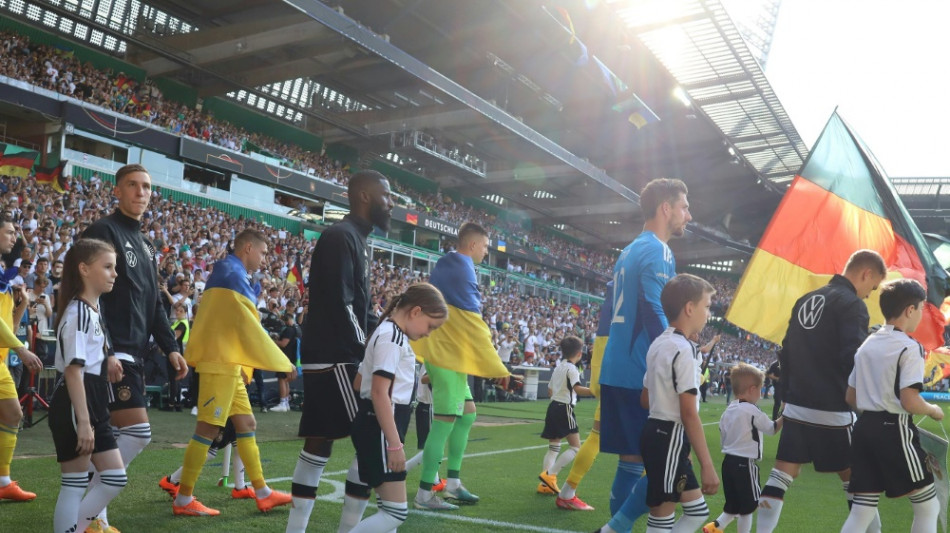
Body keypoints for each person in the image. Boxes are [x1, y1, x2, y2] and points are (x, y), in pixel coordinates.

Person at [81, 163, 188, 532]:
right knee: (138, 432)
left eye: (146, 186)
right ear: (117, 191)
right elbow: (90, 294)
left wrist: (171, 347)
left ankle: (93, 516)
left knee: (110, 436)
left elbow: (155, 302)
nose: (141, 192)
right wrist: (107, 348)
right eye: (132, 185)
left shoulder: (146, 244)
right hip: (112, 350)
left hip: (136, 351)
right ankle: (88, 513)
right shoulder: (103, 231)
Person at [287, 170, 394, 533]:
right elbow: (341, 303)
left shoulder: (354, 238)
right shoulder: (341, 236)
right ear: (364, 196)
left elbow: (358, 308)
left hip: (331, 354)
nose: (390, 204)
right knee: (372, 439)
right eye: (386, 196)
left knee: (319, 443)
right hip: (337, 357)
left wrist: (386, 333)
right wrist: (367, 350)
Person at [166, 228, 296, 516]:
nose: (265, 259)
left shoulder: (229, 271)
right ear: (248, 248)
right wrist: (281, 361)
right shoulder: (233, 275)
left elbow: (240, 324)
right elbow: (249, 327)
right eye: (263, 253)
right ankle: (183, 499)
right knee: (208, 430)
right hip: (221, 363)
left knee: (247, 423)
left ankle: (262, 492)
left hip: (228, 363)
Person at [756, 250, 888, 533]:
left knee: (781, 474)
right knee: (858, 482)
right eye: (873, 286)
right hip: (833, 408)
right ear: (867, 274)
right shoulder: (853, 305)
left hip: (797, 405)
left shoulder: (806, 299)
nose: (870, 294)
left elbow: (786, 352)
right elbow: (852, 359)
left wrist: (787, 397)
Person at [594, 179, 692, 533]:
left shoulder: (630, 249)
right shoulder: (659, 251)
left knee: (631, 460)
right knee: (669, 460)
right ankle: (618, 527)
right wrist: (676, 355)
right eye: (684, 207)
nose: (688, 215)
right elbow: (653, 310)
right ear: (666, 208)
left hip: (617, 366)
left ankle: (616, 527)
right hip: (640, 371)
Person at [411, 222, 511, 511]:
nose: (486, 252)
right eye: (485, 246)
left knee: (467, 414)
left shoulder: (448, 262)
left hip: (448, 352)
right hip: (447, 355)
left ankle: (453, 483)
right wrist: (497, 366)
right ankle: (425, 494)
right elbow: (473, 322)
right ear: (473, 245)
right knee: (444, 421)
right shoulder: (464, 268)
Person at [841, 279, 944, 533]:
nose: (921, 315)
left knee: (862, 510)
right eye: (921, 308)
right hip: (894, 429)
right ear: (910, 310)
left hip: (863, 429)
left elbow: (851, 397)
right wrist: (933, 410)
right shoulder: (909, 346)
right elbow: (910, 401)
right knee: (927, 507)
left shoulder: (867, 344)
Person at [348, 283, 448, 532]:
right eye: (430, 326)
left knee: (388, 510)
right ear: (416, 312)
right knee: (395, 513)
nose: (428, 334)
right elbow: (378, 392)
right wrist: (394, 445)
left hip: (378, 424)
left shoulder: (388, 332)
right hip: (381, 427)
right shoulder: (392, 337)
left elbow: (359, 383)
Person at [48, 239, 126, 533]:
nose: (114, 273)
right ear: (84, 269)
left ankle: (78, 527)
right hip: (75, 403)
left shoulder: (92, 310)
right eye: (107, 267)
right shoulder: (77, 312)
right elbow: (73, 371)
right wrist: (83, 421)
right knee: (74, 484)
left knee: (115, 478)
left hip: (93, 400)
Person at [640, 273, 719, 532]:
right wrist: (707, 465)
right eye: (707, 306)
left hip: (660, 433)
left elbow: (645, 399)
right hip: (669, 434)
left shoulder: (659, 343)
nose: (708, 314)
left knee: (697, 512)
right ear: (689, 308)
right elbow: (688, 413)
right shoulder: (684, 350)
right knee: (662, 514)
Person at [703, 363, 782, 533]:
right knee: (748, 507)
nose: (760, 394)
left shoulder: (729, 410)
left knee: (734, 505)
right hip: (745, 464)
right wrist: (786, 415)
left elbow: (722, 433)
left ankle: (715, 527)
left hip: (728, 463)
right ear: (753, 389)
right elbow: (772, 429)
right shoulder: (752, 410)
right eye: (760, 389)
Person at [556, 283, 612, 511]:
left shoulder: (614, 292)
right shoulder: (641, 289)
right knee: (646, 439)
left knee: (593, 438)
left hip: (607, 370)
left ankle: (562, 487)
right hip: (625, 371)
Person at [0, 213, 42, 503]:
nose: (14, 237)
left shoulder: (5, 276)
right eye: (9, 232)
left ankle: (3, 481)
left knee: (14, 415)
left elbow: (8, 329)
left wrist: (23, 304)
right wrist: (21, 349)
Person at [538, 335, 593, 496]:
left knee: (553, 448)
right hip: (564, 408)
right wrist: (595, 391)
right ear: (579, 354)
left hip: (553, 407)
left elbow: (549, 390)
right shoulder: (572, 369)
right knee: (575, 448)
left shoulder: (559, 367)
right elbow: (578, 389)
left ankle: (545, 485)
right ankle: (550, 476)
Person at [271, 313, 299, 413]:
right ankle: (285, 403)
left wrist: (272, 341)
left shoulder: (289, 330)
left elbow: (283, 344)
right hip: (290, 358)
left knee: (282, 379)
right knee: (285, 380)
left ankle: (283, 402)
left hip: (285, 358)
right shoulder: (295, 329)